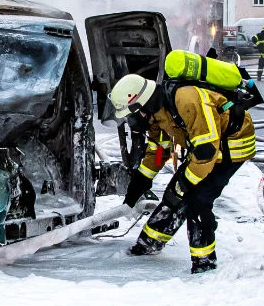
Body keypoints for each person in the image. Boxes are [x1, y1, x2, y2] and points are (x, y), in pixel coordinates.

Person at [109, 74, 256, 274]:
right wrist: (140, 182)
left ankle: (204, 263)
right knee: (174, 194)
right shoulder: (156, 114)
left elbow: (207, 151)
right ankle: (148, 244)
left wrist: (185, 184)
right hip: (206, 149)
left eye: (130, 115)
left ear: (140, 106)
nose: (131, 121)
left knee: (198, 199)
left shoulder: (186, 99)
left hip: (231, 146)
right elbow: (158, 151)